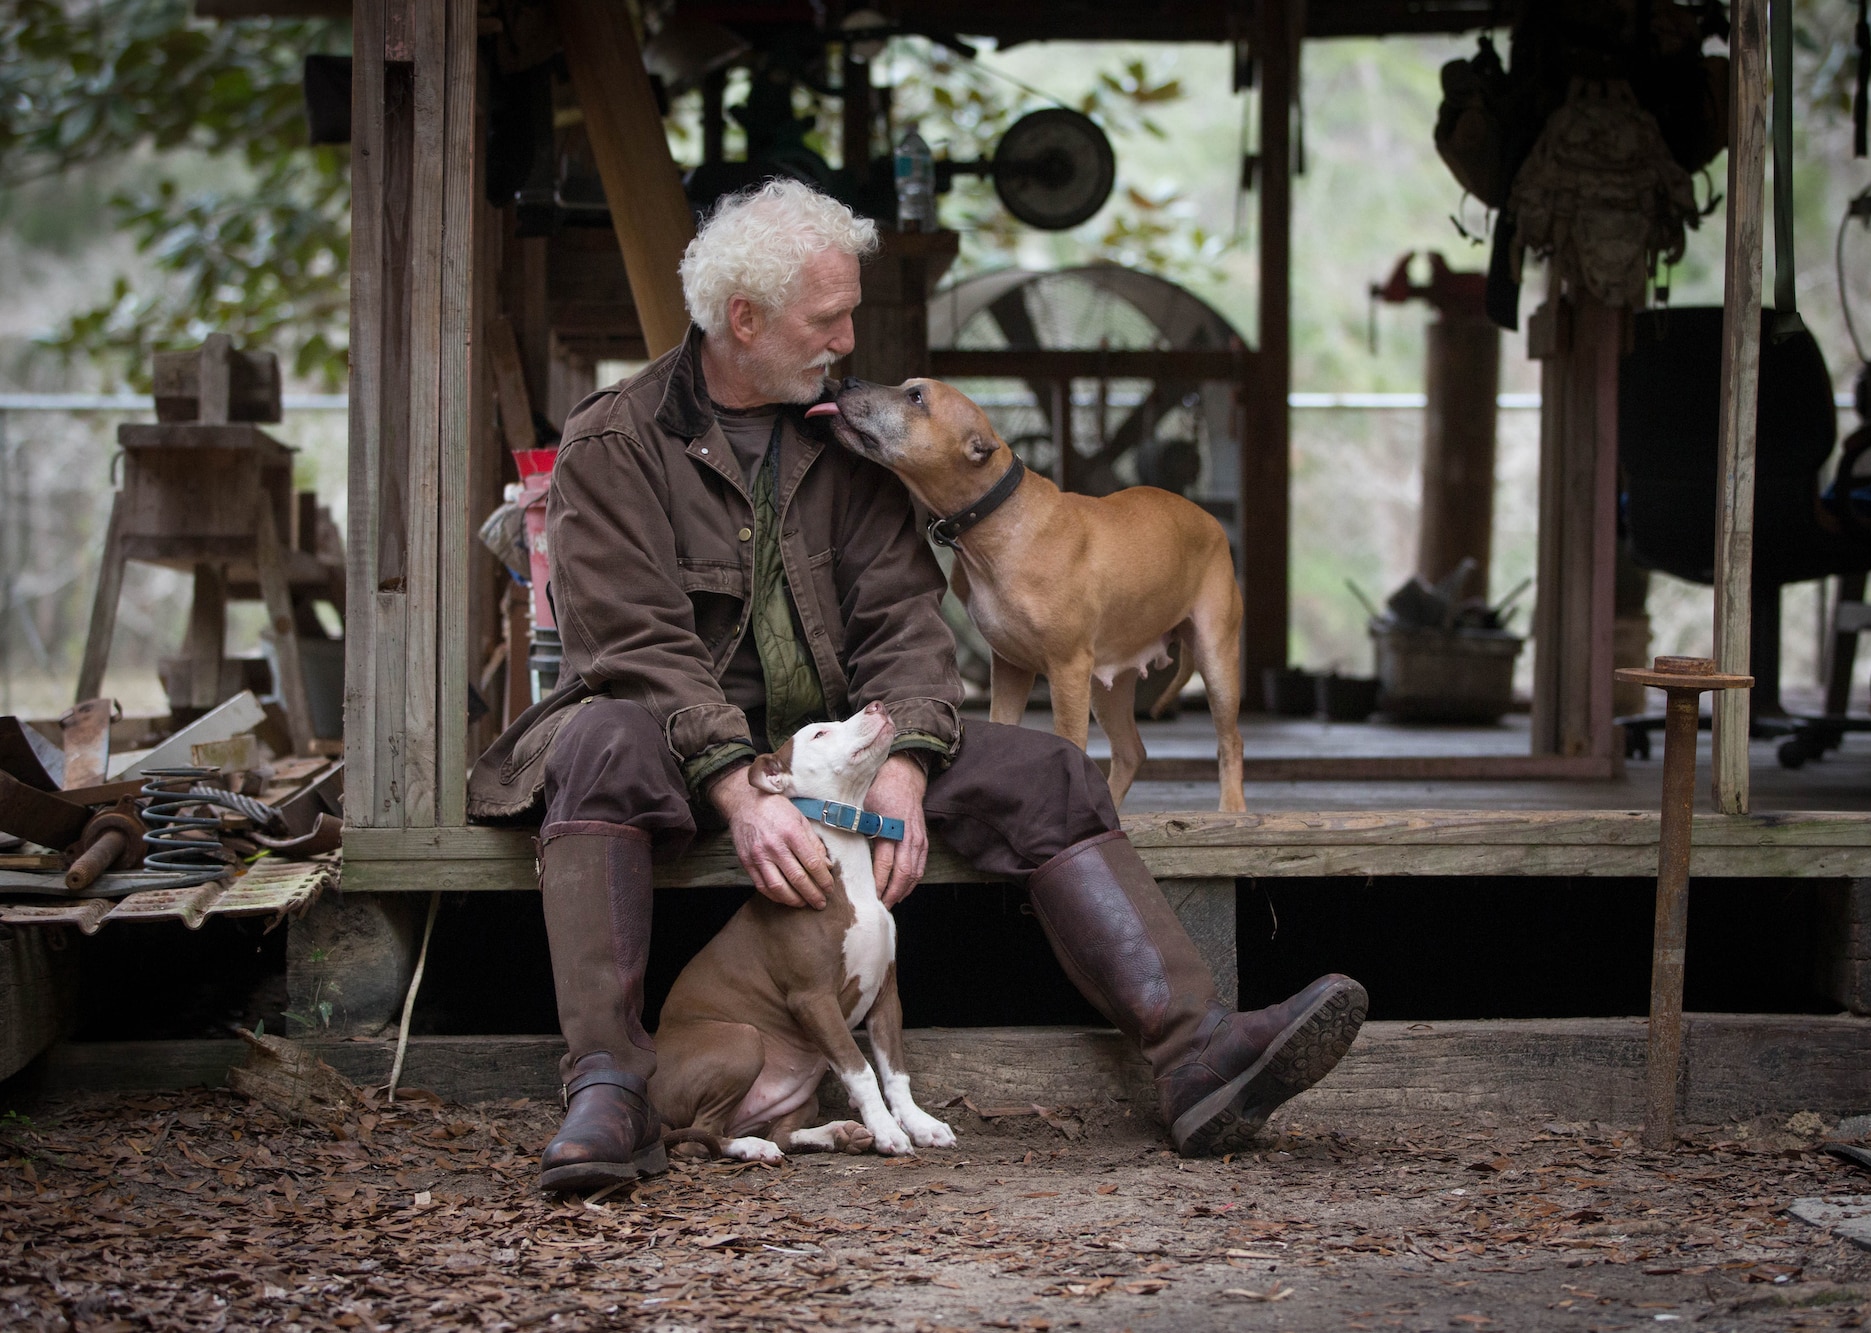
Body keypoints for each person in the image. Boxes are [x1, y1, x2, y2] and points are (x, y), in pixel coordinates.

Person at [468, 180, 1368, 1194]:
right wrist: (736, 786)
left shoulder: (845, 444)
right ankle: (611, 1090)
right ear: (744, 319)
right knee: (599, 742)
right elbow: (632, 644)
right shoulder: (613, 444)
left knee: (1044, 771)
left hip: (838, 751)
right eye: (828, 319)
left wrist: (904, 755)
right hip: (684, 753)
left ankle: (1196, 1049)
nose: (848, 341)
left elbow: (904, 619)